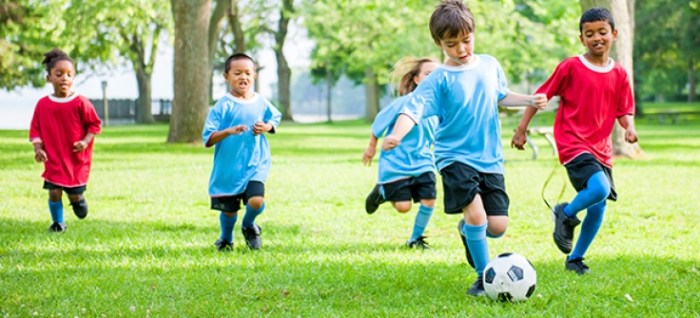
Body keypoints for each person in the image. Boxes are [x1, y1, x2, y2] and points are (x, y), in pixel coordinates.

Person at [382, 0, 547, 296]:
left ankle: (466, 232)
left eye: (466, 40)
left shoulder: (489, 64)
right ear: (438, 43)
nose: (461, 49)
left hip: (490, 159)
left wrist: (529, 100)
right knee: (477, 216)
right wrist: (396, 134)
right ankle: (485, 279)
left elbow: (500, 95)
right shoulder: (438, 79)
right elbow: (412, 110)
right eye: (451, 44)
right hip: (454, 157)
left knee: (497, 226)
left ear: (473, 32)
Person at [511, 7, 638, 275]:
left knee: (599, 205)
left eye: (602, 32)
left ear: (614, 34)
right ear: (581, 38)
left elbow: (623, 110)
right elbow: (540, 96)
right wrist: (522, 128)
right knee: (600, 189)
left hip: (601, 148)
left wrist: (629, 128)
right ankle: (565, 213)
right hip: (573, 143)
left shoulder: (620, 75)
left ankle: (575, 259)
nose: (596, 38)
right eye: (589, 34)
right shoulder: (571, 67)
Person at [202, 53, 281, 251]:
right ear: (226, 76)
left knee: (256, 200)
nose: (243, 77)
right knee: (229, 211)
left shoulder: (261, 101)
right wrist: (227, 131)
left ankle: (249, 225)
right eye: (237, 73)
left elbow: (274, 118)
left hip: (256, 163)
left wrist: (267, 127)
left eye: (247, 73)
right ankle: (226, 239)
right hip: (228, 168)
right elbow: (208, 138)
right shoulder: (222, 106)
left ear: (254, 76)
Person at [362, 57, 440, 249]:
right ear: (416, 79)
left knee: (429, 200)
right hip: (397, 163)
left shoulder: (440, 107)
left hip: (423, 161)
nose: (433, 79)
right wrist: (371, 147)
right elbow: (379, 123)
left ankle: (415, 238)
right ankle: (381, 191)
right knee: (403, 207)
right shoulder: (404, 103)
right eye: (428, 74)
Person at [29, 48, 102, 233]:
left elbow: (94, 125)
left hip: (75, 160)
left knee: (73, 194)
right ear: (49, 78)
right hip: (53, 158)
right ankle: (58, 223)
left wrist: (85, 142)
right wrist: (38, 149)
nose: (64, 78)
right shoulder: (43, 105)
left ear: (74, 78)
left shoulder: (81, 103)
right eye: (59, 74)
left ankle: (78, 200)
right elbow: (35, 129)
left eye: (69, 74)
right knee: (54, 191)